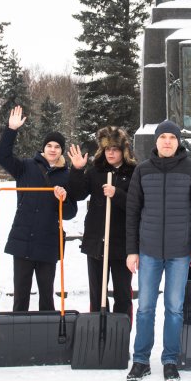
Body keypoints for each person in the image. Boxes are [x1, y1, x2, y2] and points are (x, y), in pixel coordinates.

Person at [124, 119, 191, 381]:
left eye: (172, 138)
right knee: (145, 308)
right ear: (157, 141)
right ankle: (140, 360)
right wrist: (132, 251)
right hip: (149, 250)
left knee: (174, 308)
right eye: (163, 138)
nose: (167, 142)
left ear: (178, 142)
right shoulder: (143, 171)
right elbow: (133, 213)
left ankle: (170, 360)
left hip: (180, 251)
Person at [0, 106, 76, 312]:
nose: (52, 149)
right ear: (43, 148)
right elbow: (2, 157)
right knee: (21, 295)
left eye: (57, 146)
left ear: (61, 151)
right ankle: (19, 337)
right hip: (23, 239)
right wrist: (11, 130)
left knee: (46, 296)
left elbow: (70, 213)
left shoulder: (66, 176)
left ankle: (47, 338)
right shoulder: (26, 166)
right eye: (49, 145)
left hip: (48, 241)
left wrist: (63, 199)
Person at [64, 126, 137, 316]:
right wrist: (78, 170)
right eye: (107, 149)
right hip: (97, 243)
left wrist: (117, 194)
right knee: (97, 294)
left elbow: (138, 204)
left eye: (115, 149)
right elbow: (78, 193)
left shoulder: (134, 173)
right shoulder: (97, 171)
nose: (111, 153)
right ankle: (98, 333)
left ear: (124, 151)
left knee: (122, 293)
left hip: (122, 245)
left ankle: (120, 334)